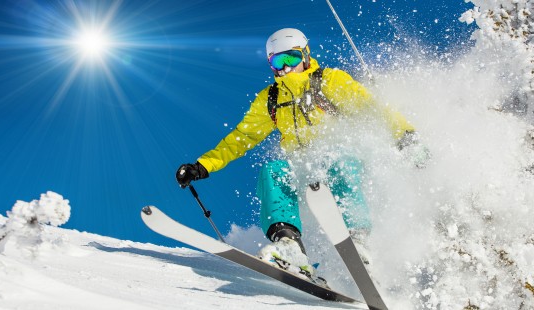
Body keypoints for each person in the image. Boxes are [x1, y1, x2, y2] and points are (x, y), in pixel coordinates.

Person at [176, 28, 429, 275]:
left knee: (338, 163)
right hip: (303, 167)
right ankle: (289, 245)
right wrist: (204, 165)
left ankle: (359, 240)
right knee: (273, 172)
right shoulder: (271, 98)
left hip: (345, 158)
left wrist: (405, 137)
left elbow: (371, 108)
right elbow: (243, 137)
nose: (285, 67)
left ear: (305, 55)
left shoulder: (330, 81)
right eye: (278, 61)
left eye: (291, 58)